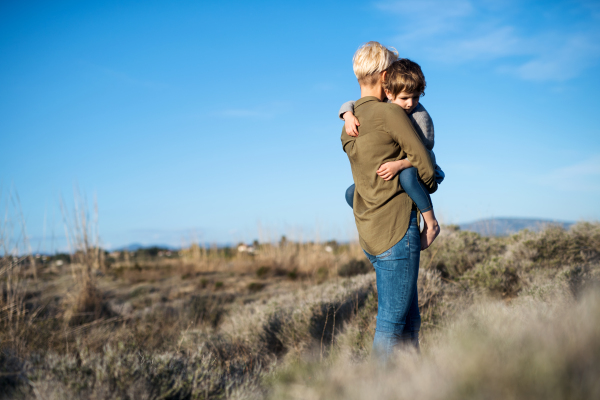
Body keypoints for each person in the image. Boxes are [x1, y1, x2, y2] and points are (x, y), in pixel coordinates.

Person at [341, 41, 438, 360]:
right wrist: (429, 190)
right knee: (391, 325)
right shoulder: (390, 113)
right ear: (385, 77)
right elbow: (423, 160)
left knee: (409, 323)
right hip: (397, 231)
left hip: (370, 234)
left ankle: (416, 386)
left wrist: (346, 110)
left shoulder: (348, 124)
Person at [339, 58, 443, 250]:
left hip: (413, 167)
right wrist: (347, 115)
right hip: (394, 171)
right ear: (389, 93)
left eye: (416, 97)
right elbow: (353, 103)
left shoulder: (420, 116)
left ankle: (431, 223)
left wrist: (401, 164)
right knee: (351, 192)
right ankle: (379, 217)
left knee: (407, 177)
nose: (410, 103)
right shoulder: (386, 106)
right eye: (404, 98)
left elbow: (426, 151)